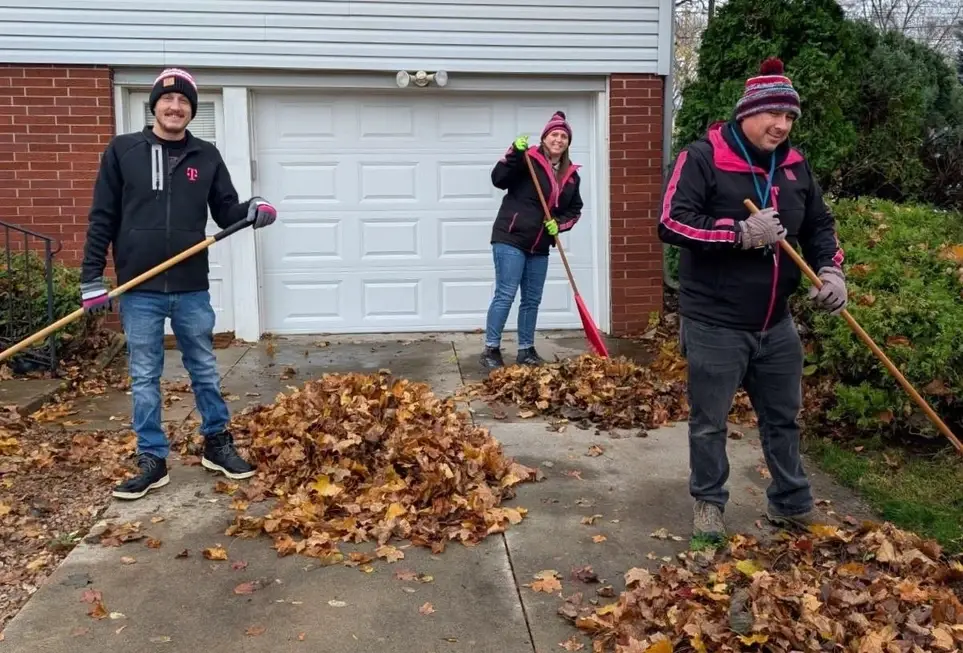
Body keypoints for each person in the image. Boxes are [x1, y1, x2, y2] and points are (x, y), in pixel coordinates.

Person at [658, 58, 847, 540]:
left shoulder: (795, 166)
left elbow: (819, 225)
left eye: (790, 118)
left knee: (784, 418)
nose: (782, 126)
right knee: (709, 423)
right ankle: (709, 506)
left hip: (776, 323)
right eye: (773, 115)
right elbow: (671, 222)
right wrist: (737, 233)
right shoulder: (704, 157)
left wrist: (830, 268)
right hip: (715, 322)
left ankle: (791, 502)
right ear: (748, 113)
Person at [80, 67, 279, 501]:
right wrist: (92, 276)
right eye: (168, 100)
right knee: (145, 374)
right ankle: (153, 459)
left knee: (205, 369)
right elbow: (102, 217)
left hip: (190, 286)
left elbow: (228, 212)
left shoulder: (206, 155)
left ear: (191, 110)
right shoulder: (123, 150)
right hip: (139, 288)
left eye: (184, 101)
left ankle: (216, 442)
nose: (175, 107)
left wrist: (255, 207)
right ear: (154, 105)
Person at [480, 111, 585, 370]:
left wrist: (558, 224)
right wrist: (514, 152)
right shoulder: (528, 159)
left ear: (568, 142)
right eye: (554, 134)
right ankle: (491, 349)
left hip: (539, 245)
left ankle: (526, 349)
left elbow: (575, 210)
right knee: (506, 294)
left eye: (563, 136)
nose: (558, 139)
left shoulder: (571, 175)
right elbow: (498, 179)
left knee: (531, 299)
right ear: (545, 137)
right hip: (511, 237)